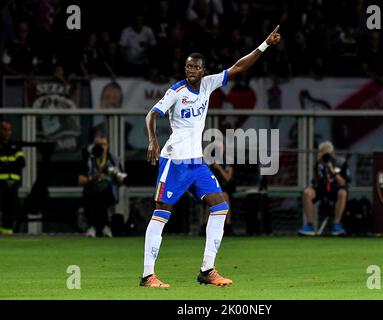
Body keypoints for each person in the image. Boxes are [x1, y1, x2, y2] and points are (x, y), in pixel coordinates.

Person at [141, 25, 281, 288]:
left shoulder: (208, 84)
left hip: (196, 162)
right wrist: (153, 140)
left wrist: (265, 45)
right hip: (174, 161)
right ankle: (148, 275)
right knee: (162, 212)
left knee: (220, 206)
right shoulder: (176, 92)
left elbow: (238, 67)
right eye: (188, 66)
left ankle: (207, 269)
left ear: (203, 70)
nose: (191, 70)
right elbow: (151, 114)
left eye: (195, 67)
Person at [298, 141, 350, 236]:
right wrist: (318, 165)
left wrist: (332, 170)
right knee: (307, 192)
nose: (322, 155)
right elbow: (315, 182)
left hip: (335, 189)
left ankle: (336, 224)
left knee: (343, 192)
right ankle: (309, 225)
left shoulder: (341, 162)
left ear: (332, 153)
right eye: (320, 152)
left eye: (324, 153)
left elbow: (343, 182)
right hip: (321, 188)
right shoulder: (319, 163)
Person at [79, 135, 126, 238]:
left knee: (102, 196)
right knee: (94, 196)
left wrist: (113, 176)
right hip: (91, 192)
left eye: (104, 144)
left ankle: (97, 227)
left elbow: (122, 180)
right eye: (99, 145)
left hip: (110, 192)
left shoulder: (114, 160)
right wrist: (94, 177)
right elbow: (80, 180)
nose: (101, 147)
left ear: (108, 145)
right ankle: (101, 226)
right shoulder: (89, 160)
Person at [0, 119, 25, 235]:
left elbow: (21, 163)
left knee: (10, 209)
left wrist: (6, 164)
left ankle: (7, 232)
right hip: (1, 183)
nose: (7, 132)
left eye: (9, 130)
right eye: (5, 129)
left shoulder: (15, 147)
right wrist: (10, 164)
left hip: (13, 184)